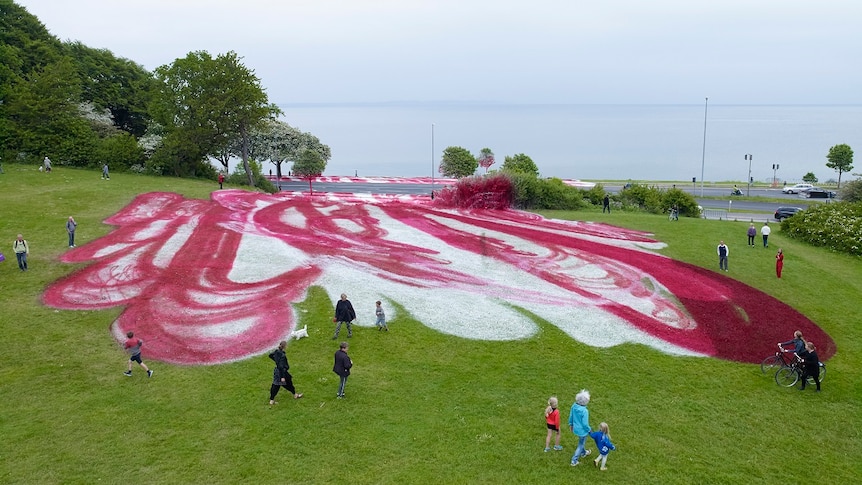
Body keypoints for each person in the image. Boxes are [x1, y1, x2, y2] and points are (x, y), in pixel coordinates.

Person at [268, 340, 302, 405]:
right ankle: (294, 394)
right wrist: (283, 377)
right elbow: (281, 367)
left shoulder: (276, 351)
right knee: (286, 383)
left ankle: (272, 400)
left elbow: (270, 355)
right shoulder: (282, 355)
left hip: (277, 372)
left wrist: (276, 361)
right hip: (281, 372)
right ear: (285, 346)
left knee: (276, 385)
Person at [568, 389, 592, 466]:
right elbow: (585, 424)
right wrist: (589, 429)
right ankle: (574, 460)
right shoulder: (585, 411)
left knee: (581, 442)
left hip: (576, 429)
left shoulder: (573, 406)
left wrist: (571, 424)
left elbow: (571, 416)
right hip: (582, 431)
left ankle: (584, 452)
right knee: (580, 444)